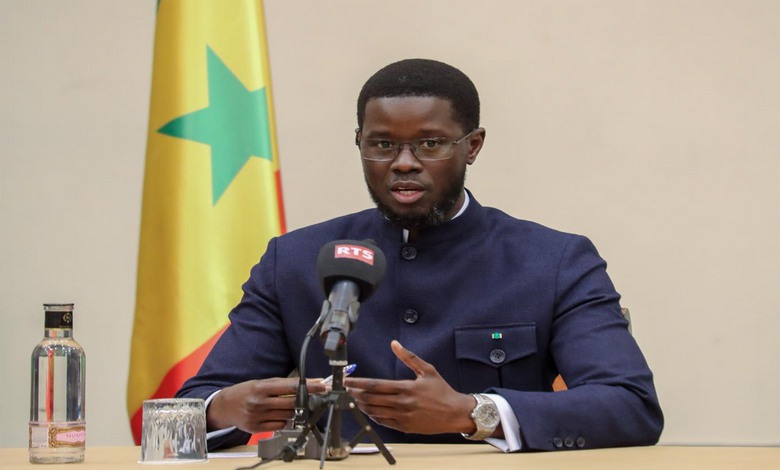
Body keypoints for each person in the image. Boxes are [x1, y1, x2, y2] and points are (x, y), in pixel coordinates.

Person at [176, 58, 664, 452]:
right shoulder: (296, 259)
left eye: (430, 144)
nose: (404, 163)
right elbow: (189, 406)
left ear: (472, 146)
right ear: (359, 143)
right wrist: (225, 408)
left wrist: (474, 413)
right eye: (382, 144)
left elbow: (630, 404)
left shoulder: (554, 261)